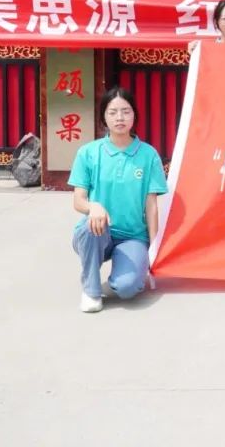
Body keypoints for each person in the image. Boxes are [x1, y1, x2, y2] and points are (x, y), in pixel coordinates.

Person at [69, 86, 168, 313]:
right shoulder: (88, 152)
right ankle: (91, 290)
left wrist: (154, 249)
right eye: (112, 112)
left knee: (127, 288)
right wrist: (93, 206)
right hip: (97, 231)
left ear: (134, 115)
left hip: (133, 236)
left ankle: (124, 271)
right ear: (103, 117)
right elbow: (78, 200)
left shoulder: (148, 155)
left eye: (126, 111)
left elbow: (151, 205)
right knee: (92, 227)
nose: (120, 118)